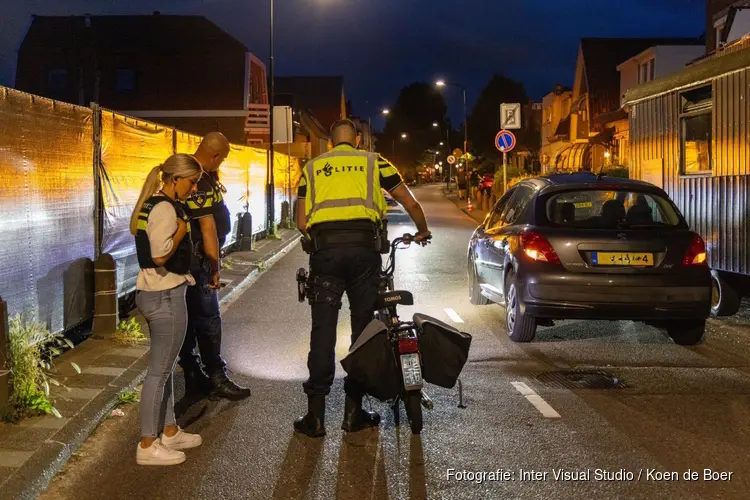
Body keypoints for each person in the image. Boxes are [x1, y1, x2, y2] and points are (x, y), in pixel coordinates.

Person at [294, 119, 431, 438]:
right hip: (364, 255)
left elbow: (301, 221)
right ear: (357, 140)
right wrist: (422, 230)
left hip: (326, 254)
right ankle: (353, 414)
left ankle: (315, 417)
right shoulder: (375, 162)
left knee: (322, 331)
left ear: (330, 143)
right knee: (362, 331)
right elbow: (409, 202)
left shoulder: (312, 167)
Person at [130, 153, 204, 466]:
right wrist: (181, 233)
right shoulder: (164, 208)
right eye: (191, 181)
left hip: (158, 292)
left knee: (165, 366)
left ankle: (169, 430)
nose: (194, 187)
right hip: (164, 294)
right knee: (158, 372)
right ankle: (148, 444)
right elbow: (160, 256)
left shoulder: (155, 203)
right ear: (174, 180)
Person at [178, 132, 251, 401]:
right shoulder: (196, 178)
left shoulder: (197, 174)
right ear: (216, 155)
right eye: (223, 159)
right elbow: (207, 228)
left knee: (191, 319)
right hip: (199, 260)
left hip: (197, 259)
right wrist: (215, 265)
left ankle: (194, 374)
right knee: (208, 319)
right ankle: (215, 376)